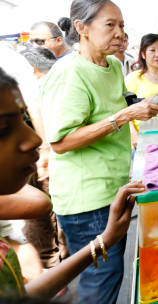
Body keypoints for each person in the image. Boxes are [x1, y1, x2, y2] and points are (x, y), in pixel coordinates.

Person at [39, 0, 158, 303]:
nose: (120, 33)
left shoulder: (111, 64)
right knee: (101, 279)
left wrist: (137, 104)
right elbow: (61, 142)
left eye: (122, 25)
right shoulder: (70, 73)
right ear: (82, 28)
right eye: (110, 25)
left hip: (113, 185)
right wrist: (124, 116)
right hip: (87, 198)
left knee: (110, 275)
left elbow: (113, 101)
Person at [0, 67, 146, 300]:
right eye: (3, 129)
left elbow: (23, 295)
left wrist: (106, 239)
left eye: (25, 119)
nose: (35, 139)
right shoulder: (71, 73)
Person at [19, 47, 68, 272]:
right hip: (44, 158)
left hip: (41, 156)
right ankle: (55, 259)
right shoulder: (58, 82)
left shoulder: (39, 86)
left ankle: (52, 261)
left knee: (42, 211)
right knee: (47, 209)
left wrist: (46, 150)